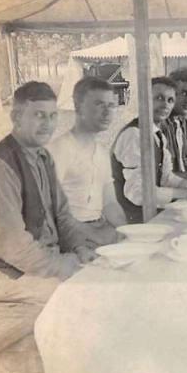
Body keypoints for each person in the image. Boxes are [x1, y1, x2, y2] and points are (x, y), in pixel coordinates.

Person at [0, 81, 99, 305]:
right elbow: (11, 245)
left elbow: (62, 216)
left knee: (105, 276)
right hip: (7, 274)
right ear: (16, 117)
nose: (48, 125)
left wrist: (79, 248)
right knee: (89, 295)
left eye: (53, 116)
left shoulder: (43, 157)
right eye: (39, 115)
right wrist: (60, 264)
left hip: (41, 262)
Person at [111, 77, 187, 223]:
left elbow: (166, 178)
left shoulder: (158, 135)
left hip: (153, 214)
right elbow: (137, 193)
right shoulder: (133, 135)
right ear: (144, 101)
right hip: (132, 222)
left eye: (170, 100)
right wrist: (185, 193)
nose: (165, 105)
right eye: (159, 98)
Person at [48, 77, 127, 246]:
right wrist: (97, 236)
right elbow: (51, 211)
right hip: (68, 235)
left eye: (111, 105)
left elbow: (110, 204)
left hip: (99, 227)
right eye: (99, 104)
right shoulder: (60, 149)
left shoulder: (101, 152)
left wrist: (127, 233)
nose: (107, 112)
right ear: (78, 107)